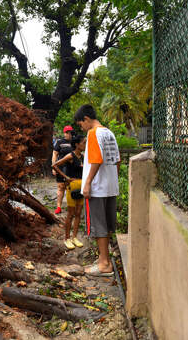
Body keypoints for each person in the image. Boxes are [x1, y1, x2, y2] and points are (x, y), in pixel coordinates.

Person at [74, 104, 120, 277]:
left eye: (81, 124)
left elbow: (96, 159)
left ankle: (104, 265)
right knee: (107, 225)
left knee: (98, 225)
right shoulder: (109, 132)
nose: (82, 128)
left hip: (98, 188)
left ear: (86, 119)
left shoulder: (93, 133)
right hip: (110, 186)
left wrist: (87, 184)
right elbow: (117, 159)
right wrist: (112, 180)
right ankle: (104, 258)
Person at [52, 135, 86, 250]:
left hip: (81, 186)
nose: (85, 145)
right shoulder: (70, 156)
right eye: (83, 143)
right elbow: (55, 165)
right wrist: (66, 177)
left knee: (78, 213)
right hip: (72, 186)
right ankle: (66, 238)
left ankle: (74, 237)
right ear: (77, 144)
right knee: (70, 214)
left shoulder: (83, 156)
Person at [51, 126, 74, 214]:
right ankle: (59, 207)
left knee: (70, 187)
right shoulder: (60, 142)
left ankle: (71, 207)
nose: (69, 134)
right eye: (67, 132)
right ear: (64, 133)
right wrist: (54, 167)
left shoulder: (74, 142)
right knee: (61, 187)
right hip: (60, 168)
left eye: (70, 132)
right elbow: (55, 154)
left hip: (71, 168)